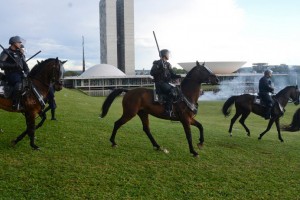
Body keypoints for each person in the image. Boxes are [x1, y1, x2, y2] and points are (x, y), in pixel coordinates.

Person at [0, 36, 29, 110]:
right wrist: (13, 65)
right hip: (11, 74)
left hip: (20, 74)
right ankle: (15, 104)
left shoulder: (19, 53)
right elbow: (1, 64)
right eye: (19, 42)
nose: (20, 44)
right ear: (14, 43)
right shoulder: (7, 52)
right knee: (19, 84)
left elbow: (24, 64)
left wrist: (27, 71)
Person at [150, 49, 181, 117]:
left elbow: (172, 74)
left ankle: (174, 109)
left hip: (167, 83)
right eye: (168, 54)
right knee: (172, 92)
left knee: (177, 90)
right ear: (164, 55)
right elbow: (152, 73)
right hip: (160, 83)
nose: (168, 56)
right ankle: (167, 111)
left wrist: (179, 76)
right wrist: (161, 69)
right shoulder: (157, 63)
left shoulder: (168, 64)